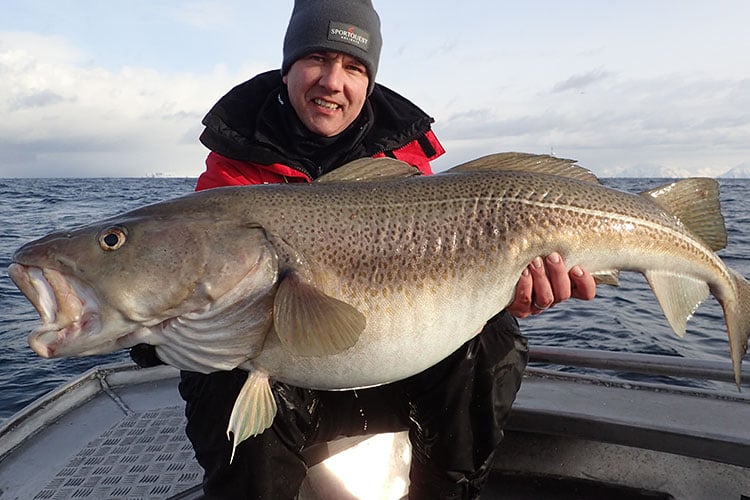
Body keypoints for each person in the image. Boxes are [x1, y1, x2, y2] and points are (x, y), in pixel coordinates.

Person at [134, 1, 596, 498]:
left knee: (492, 339)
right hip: (290, 387)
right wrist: (144, 320)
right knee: (216, 374)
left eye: (353, 66)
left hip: (397, 372)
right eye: (316, 58)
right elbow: (180, 285)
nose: (333, 81)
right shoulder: (229, 190)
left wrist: (507, 296)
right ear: (287, 68)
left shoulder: (409, 173)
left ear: (368, 83)